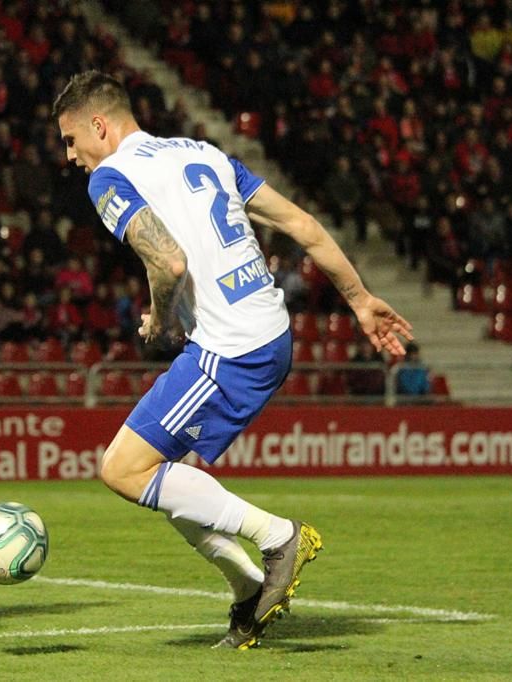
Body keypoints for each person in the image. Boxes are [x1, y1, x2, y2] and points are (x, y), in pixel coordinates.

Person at [53, 71, 412, 650]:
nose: (72, 156)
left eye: (72, 140)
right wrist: (360, 300)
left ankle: (279, 539)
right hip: (267, 329)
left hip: (231, 347)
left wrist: (161, 318)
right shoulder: (205, 153)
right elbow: (302, 225)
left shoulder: (111, 178)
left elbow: (167, 263)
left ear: (99, 125)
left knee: (121, 469)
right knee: (166, 475)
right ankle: (247, 592)